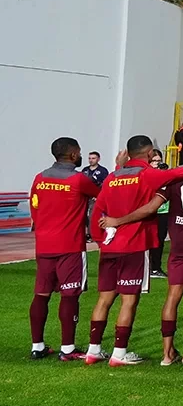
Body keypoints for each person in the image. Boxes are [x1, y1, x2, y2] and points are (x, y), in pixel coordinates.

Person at [86, 137, 183, 366]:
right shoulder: (147, 174)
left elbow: (96, 212)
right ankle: (119, 353)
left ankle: (93, 350)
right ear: (149, 154)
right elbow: (177, 174)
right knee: (129, 300)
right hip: (134, 245)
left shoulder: (112, 177)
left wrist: (101, 241)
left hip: (110, 247)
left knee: (104, 299)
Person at [28, 137, 100, 361]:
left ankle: (37, 346)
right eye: (79, 152)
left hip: (44, 245)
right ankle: (68, 348)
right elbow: (102, 194)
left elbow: (35, 207)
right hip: (70, 245)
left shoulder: (39, 178)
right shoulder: (79, 180)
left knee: (41, 294)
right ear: (73, 154)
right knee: (70, 296)